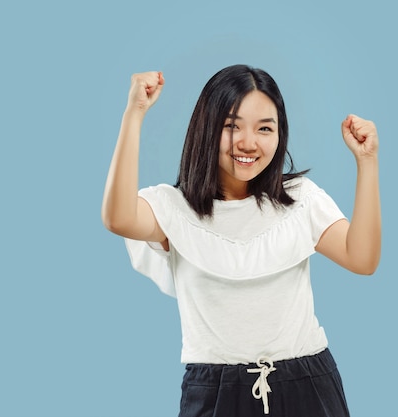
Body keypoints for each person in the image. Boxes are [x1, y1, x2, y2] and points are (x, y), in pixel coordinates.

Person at [101, 64, 381, 417]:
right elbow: (118, 217)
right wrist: (135, 114)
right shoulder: (174, 208)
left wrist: (367, 162)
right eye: (232, 126)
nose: (248, 143)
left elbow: (363, 258)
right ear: (206, 128)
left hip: (308, 384)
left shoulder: (300, 200)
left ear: (280, 135)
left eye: (265, 128)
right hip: (216, 392)